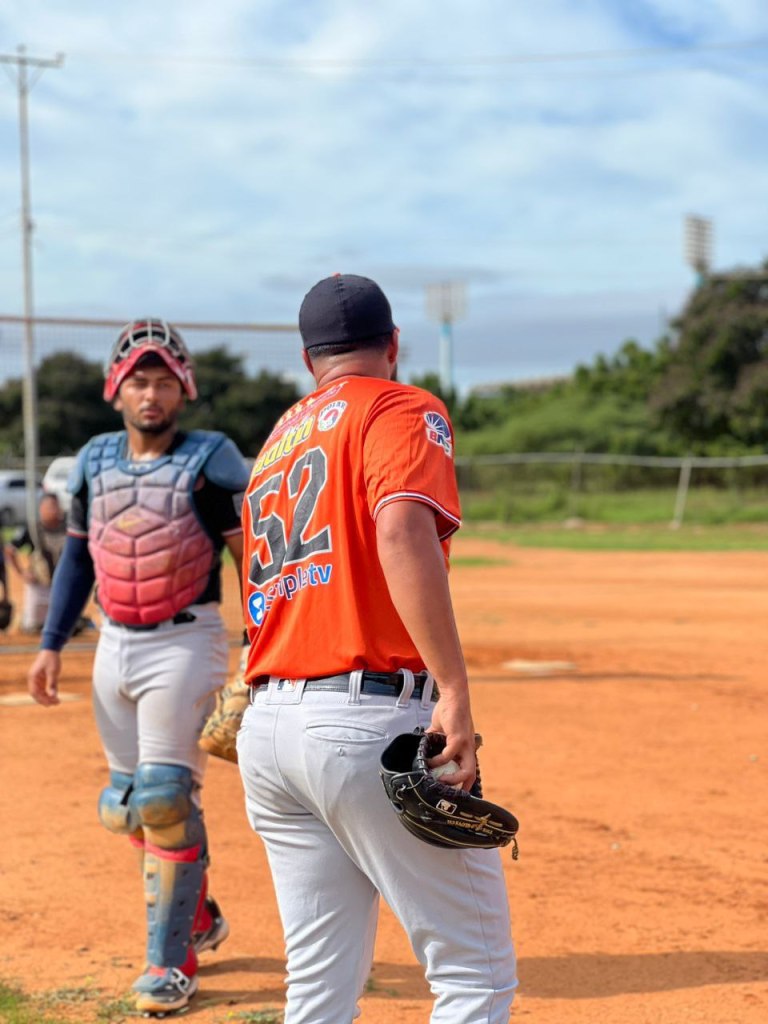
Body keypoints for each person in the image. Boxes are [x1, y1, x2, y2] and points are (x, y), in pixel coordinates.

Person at [237, 274, 517, 1023]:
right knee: (475, 972)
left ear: (308, 360)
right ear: (394, 343)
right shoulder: (398, 405)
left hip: (269, 730)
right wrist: (454, 689)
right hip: (364, 723)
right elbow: (400, 529)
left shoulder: (277, 441)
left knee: (318, 983)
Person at [27, 318, 251, 1018]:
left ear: (183, 390)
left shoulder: (212, 460)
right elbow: (78, 559)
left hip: (185, 640)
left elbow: (252, 553)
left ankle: (171, 964)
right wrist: (51, 642)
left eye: (162, 382)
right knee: (126, 807)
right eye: (137, 382)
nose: (150, 394)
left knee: (163, 799)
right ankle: (197, 916)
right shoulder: (93, 461)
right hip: (113, 643)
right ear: (115, 390)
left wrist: (261, 640)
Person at [4, 492, 67, 633]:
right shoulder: (33, 529)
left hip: (62, 585)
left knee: (66, 626)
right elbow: (9, 550)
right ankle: (24, 620)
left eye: (56, 506)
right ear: (41, 509)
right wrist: (22, 573)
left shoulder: (68, 528)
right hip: (39, 586)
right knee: (32, 627)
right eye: (49, 507)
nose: (54, 510)